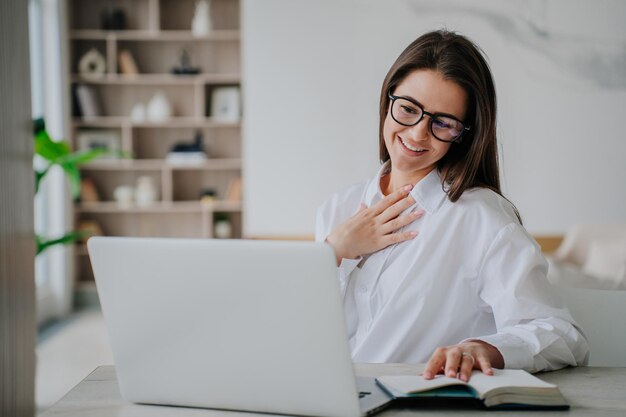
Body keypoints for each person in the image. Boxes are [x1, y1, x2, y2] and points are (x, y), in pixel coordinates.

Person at [315, 30, 588, 382]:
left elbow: (562, 335)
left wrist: (483, 348)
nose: (417, 134)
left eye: (442, 122)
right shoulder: (337, 208)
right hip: (331, 398)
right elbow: (307, 332)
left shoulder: (481, 218)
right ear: (388, 102)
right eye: (408, 109)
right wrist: (334, 253)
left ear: (464, 134)